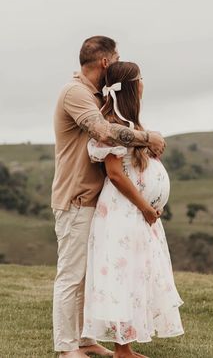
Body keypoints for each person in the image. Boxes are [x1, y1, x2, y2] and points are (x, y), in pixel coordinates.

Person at [51, 36, 166, 358]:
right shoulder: (75, 92)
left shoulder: (96, 95)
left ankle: (85, 341)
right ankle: (65, 348)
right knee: (71, 277)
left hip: (94, 201)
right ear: (105, 62)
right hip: (76, 197)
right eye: (116, 59)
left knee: (90, 277)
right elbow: (102, 132)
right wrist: (147, 138)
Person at [82, 61, 184, 358]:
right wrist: (144, 207)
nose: (143, 85)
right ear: (132, 86)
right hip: (122, 213)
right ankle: (122, 349)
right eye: (141, 79)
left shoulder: (134, 127)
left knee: (138, 274)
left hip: (139, 214)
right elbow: (115, 173)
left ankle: (126, 346)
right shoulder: (113, 126)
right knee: (122, 276)